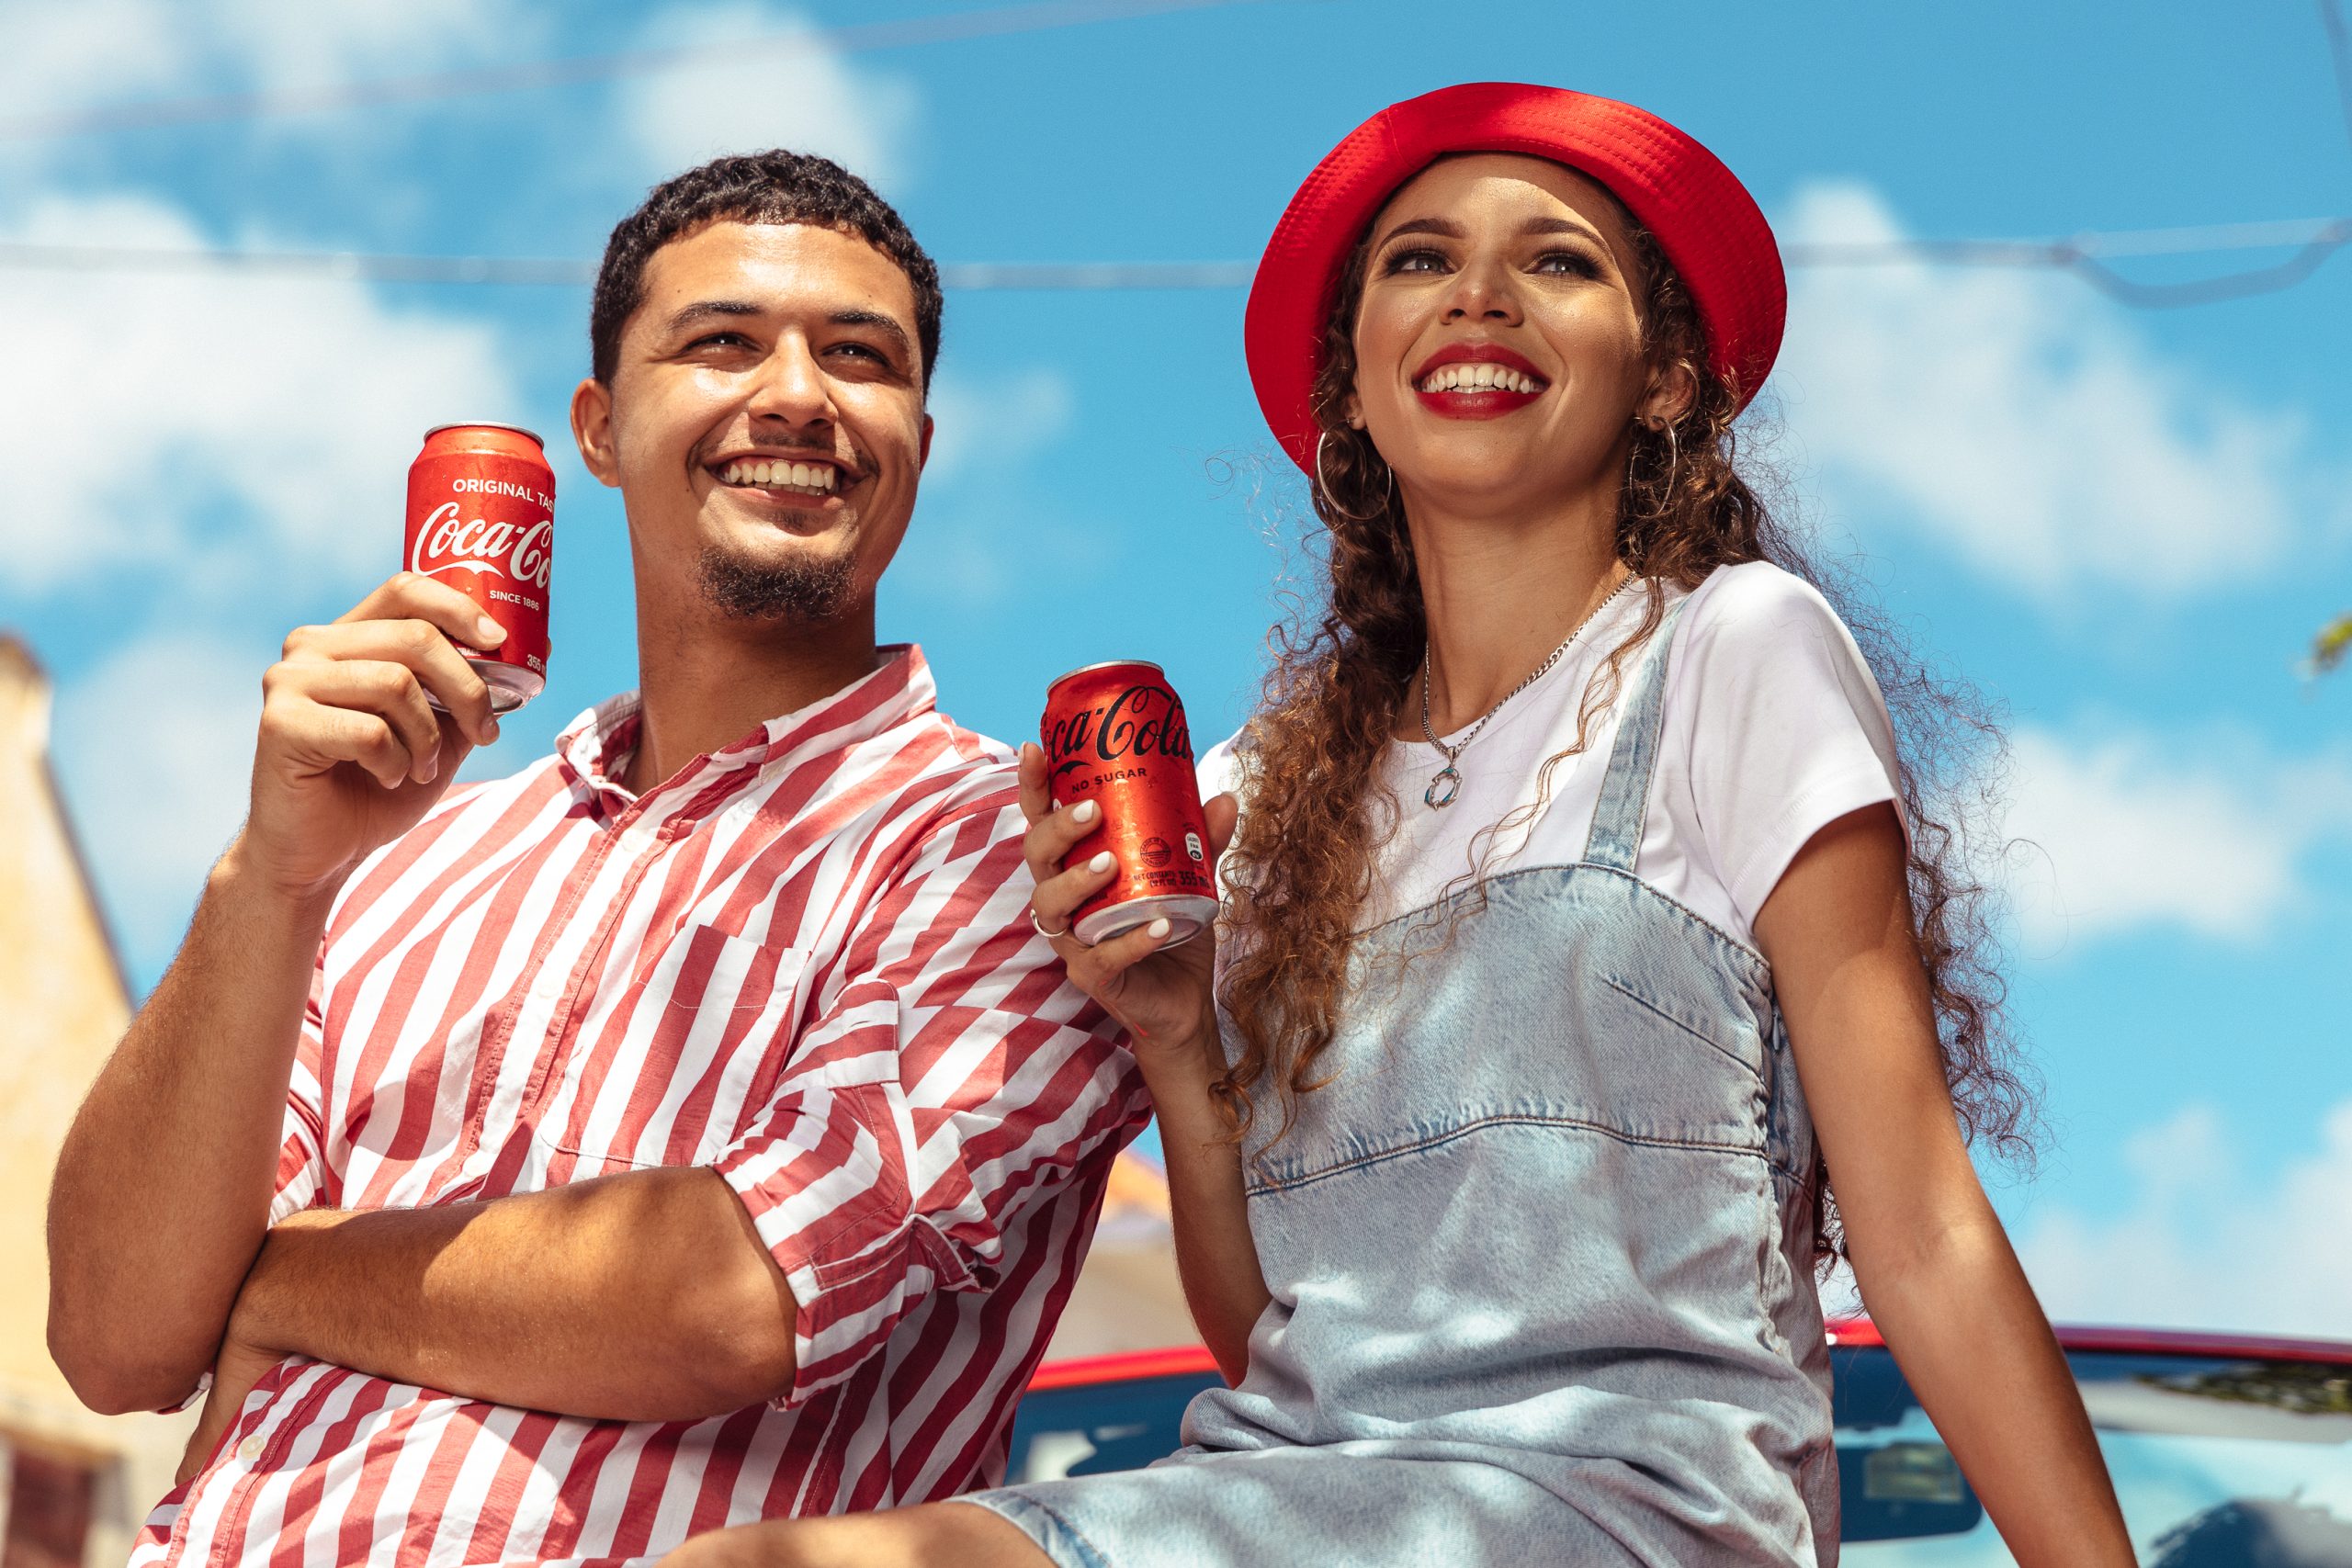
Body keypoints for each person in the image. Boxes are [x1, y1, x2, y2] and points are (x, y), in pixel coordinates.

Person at [660, 85, 2138, 1566]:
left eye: (1557, 261)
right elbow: (1275, 1339)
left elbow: (1924, 1231)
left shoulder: (1733, 651)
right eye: (1421, 260)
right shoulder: (1270, 791)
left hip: (1637, 1509)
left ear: (1668, 379)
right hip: (1298, 1492)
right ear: (1353, 389)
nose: (1479, 295)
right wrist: (1174, 1038)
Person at [46, 150, 1148, 1567]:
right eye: (723, 342)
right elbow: (116, 1339)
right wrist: (268, 877)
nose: (797, 394)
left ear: (919, 446)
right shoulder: (396, 862)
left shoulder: (1020, 851)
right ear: (601, 428)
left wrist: (280, 1276)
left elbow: (726, 1298)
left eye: (859, 356)